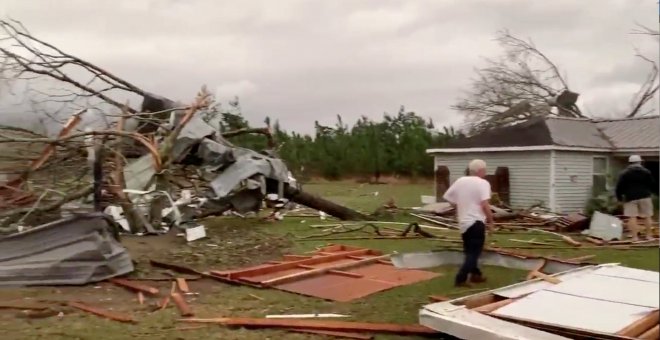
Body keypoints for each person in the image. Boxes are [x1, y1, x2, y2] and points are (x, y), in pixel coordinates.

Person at [443, 159, 494, 287]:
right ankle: (460, 279)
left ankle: (476, 274)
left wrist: (460, 206)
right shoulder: (483, 183)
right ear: (481, 170)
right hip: (476, 222)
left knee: (469, 251)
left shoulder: (461, 181)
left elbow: (448, 197)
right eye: (485, 170)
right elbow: (484, 204)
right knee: (474, 252)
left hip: (464, 222)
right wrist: (491, 220)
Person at [615, 155, 658, 241]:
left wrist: (619, 198)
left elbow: (619, 187)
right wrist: (654, 193)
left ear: (629, 163)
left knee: (632, 217)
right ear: (640, 162)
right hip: (645, 196)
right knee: (647, 216)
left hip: (630, 197)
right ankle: (648, 236)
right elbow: (652, 184)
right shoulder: (646, 172)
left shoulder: (625, 173)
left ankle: (635, 237)